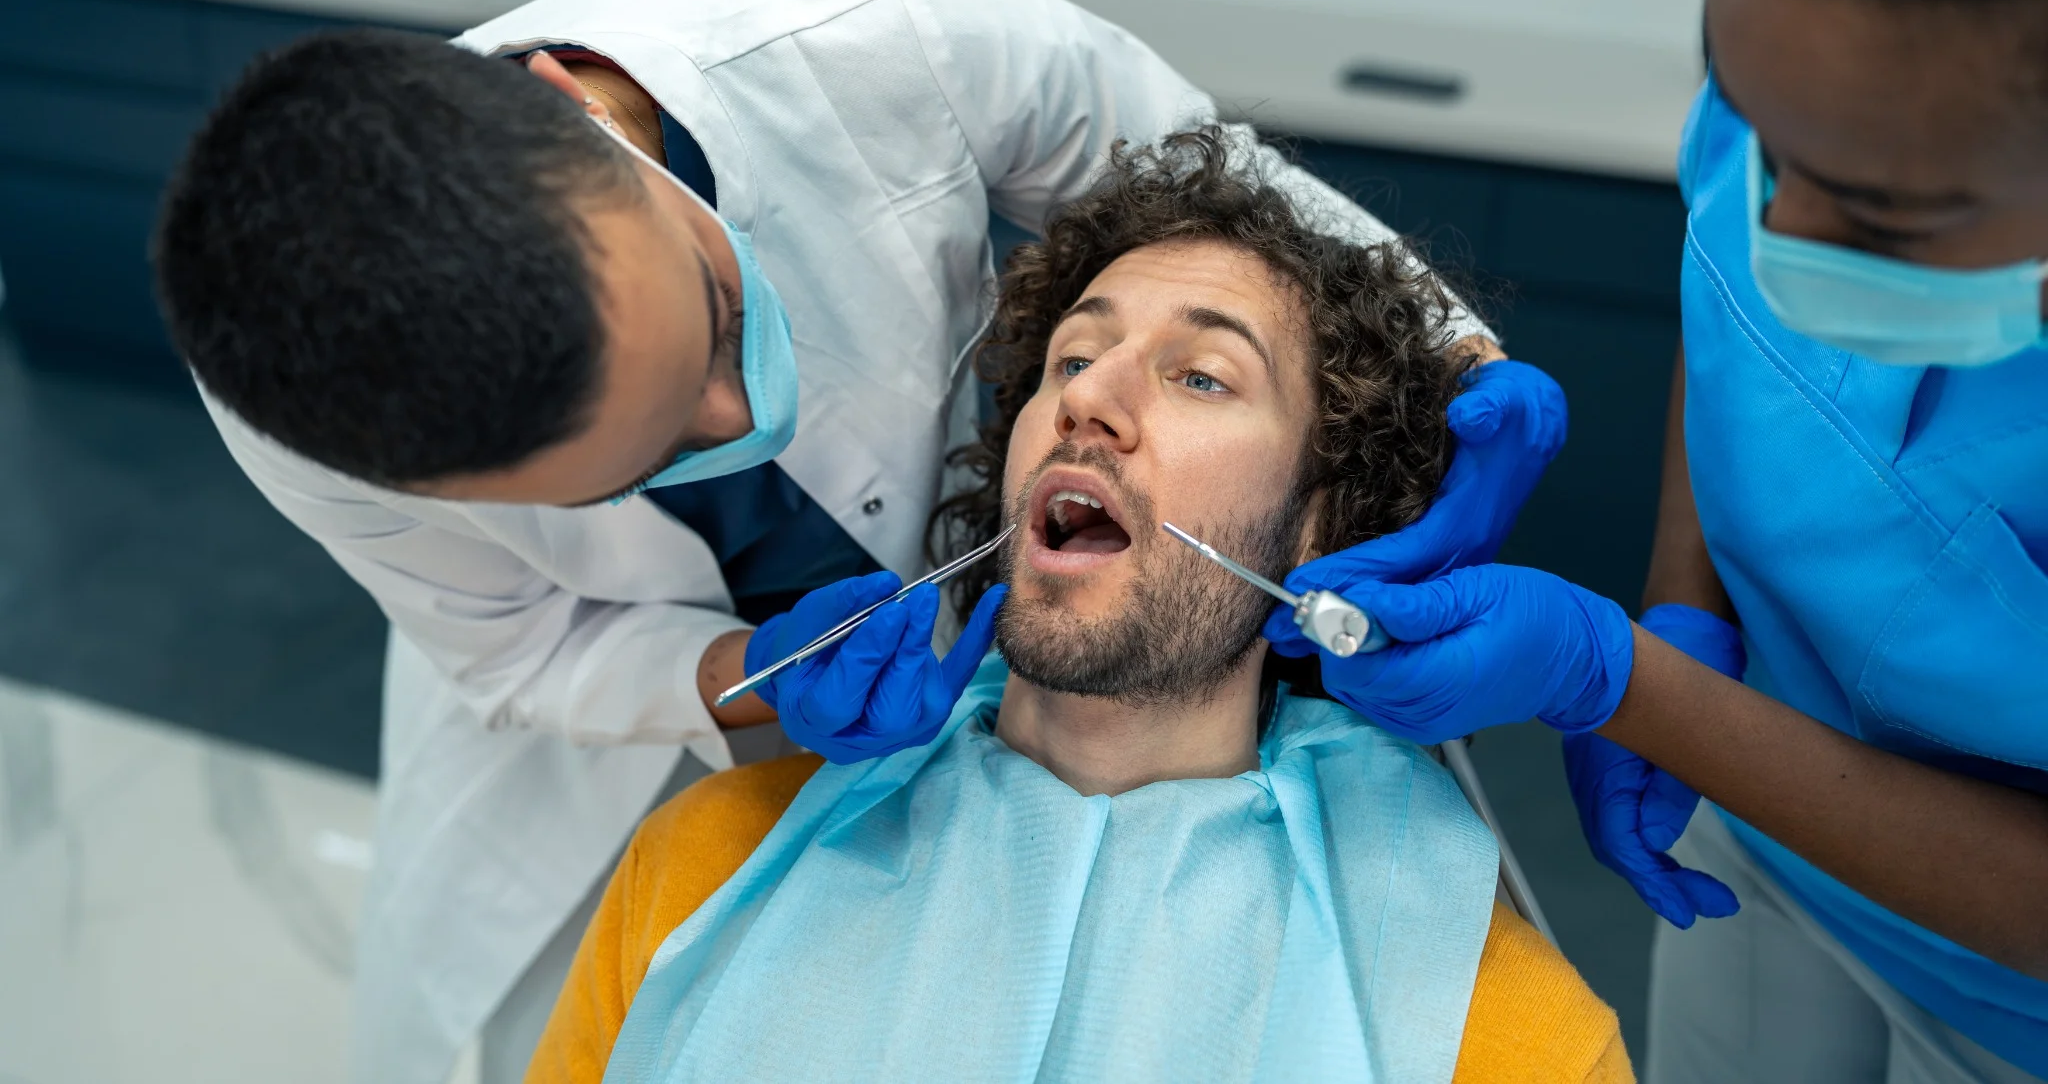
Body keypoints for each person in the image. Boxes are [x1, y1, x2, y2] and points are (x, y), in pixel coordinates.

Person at [150, 0, 1564, 1084]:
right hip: (609, 791)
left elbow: (1206, 190)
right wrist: (745, 673)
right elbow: (520, 647)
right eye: (1066, 353)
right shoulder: (684, 871)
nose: (738, 417)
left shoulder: (860, 23)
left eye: (713, 318)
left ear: (566, 108)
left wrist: (1464, 368)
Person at [1253, 0, 2048, 1081]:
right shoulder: (1828, 80)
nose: (1778, 227)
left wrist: (1625, 683)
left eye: (1882, 216)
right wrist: (1682, 609)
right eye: (1752, 124)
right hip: (1753, 845)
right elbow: (1736, 310)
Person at [522, 130, 1629, 1084]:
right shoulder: (698, 872)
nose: (1088, 400)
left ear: (1318, 532)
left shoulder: (1496, 1034)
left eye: (1201, 376)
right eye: (1072, 357)